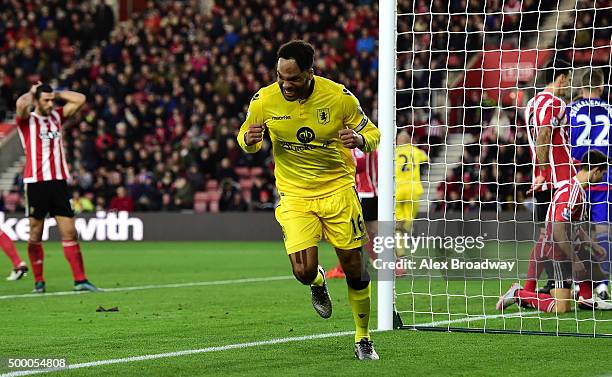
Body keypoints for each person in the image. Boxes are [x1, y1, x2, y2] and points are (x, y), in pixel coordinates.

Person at [237, 40, 380, 360]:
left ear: (309, 73)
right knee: (302, 271)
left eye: (293, 78)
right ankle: (317, 282)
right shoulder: (264, 100)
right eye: (280, 77)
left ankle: (362, 337)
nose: (285, 85)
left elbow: (373, 134)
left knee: (354, 267)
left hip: (338, 191)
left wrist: (357, 138)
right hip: (295, 195)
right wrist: (248, 140)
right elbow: (245, 136)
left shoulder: (338, 97)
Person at [497, 150, 612, 312]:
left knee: (592, 261)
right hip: (556, 252)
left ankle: (585, 298)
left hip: (560, 247)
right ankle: (518, 293)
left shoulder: (578, 191)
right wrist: (575, 260)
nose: (603, 178)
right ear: (596, 170)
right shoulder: (571, 193)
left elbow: (576, 228)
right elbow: (558, 232)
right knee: (561, 308)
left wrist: (594, 246)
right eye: (603, 173)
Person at [15, 82, 98, 293]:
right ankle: (39, 281)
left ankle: (80, 281)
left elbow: (80, 99)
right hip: (36, 183)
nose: (51, 104)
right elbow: (20, 105)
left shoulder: (57, 116)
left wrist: (56, 93)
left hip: (59, 181)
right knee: (35, 233)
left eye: (52, 100)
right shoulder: (27, 121)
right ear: (37, 100)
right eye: (46, 100)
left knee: (70, 232)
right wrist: (32, 93)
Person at [523, 59, 574, 294]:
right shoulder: (555, 103)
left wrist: (539, 174)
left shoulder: (530, 104)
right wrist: (544, 173)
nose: (568, 84)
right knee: (567, 234)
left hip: (541, 180)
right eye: (568, 79)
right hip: (559, 180)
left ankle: (557, 283)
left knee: (548, 235)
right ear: (561, 78)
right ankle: (570, 284)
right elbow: (544, 135)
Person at [567, 68, 612, 300]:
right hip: (605, 177)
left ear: (581, 86)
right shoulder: (611, 110)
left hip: (579, 177)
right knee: (603, 231)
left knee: (576, 231)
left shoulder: (569, 110)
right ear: (602, 87)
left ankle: (578, 285)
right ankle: (602, 286)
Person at [326, 148, 378, 279]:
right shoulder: (371, 145)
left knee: (357, 232)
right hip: (372, 193)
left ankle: (345, 267)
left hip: (365, 193)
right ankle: (381, 263)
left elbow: (358, 165)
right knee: (369, 231)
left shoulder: (359, 146)